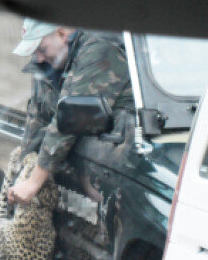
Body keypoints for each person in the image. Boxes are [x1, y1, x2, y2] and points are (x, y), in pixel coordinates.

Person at [8, 18, 132, 205]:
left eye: (41, 50)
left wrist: (33, 183)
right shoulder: (51, 66)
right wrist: (23, 170)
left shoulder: (99, 52)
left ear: (62, 34)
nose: (39, 58)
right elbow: (38, 119)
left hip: (120, 166)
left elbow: (71, 117)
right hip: (84, 165)